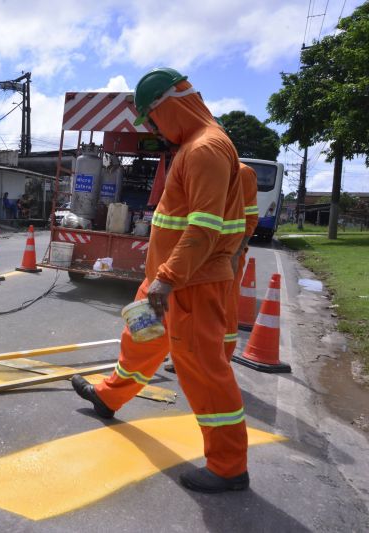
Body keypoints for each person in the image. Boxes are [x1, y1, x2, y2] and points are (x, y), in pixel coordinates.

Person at [71, 67, 249, 493]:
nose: (154, 129)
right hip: (167, 282)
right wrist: (158, 277)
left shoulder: (205, 149)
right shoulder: (198, 146)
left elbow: (204, 228)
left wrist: (167, 279)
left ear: (169, 106)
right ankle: (109, 397)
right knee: (140, 342)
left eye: (152, 119)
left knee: (204, 373)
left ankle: (228, 466)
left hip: (187, 286)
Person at [225, 163, 259, 360]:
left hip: (228, 253)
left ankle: (221, 357)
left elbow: (250, 218)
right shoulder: (204, 167)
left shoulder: (243, 173)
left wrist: (236, 254)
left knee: (226, 304)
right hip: (201, 252)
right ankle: (186, 356)